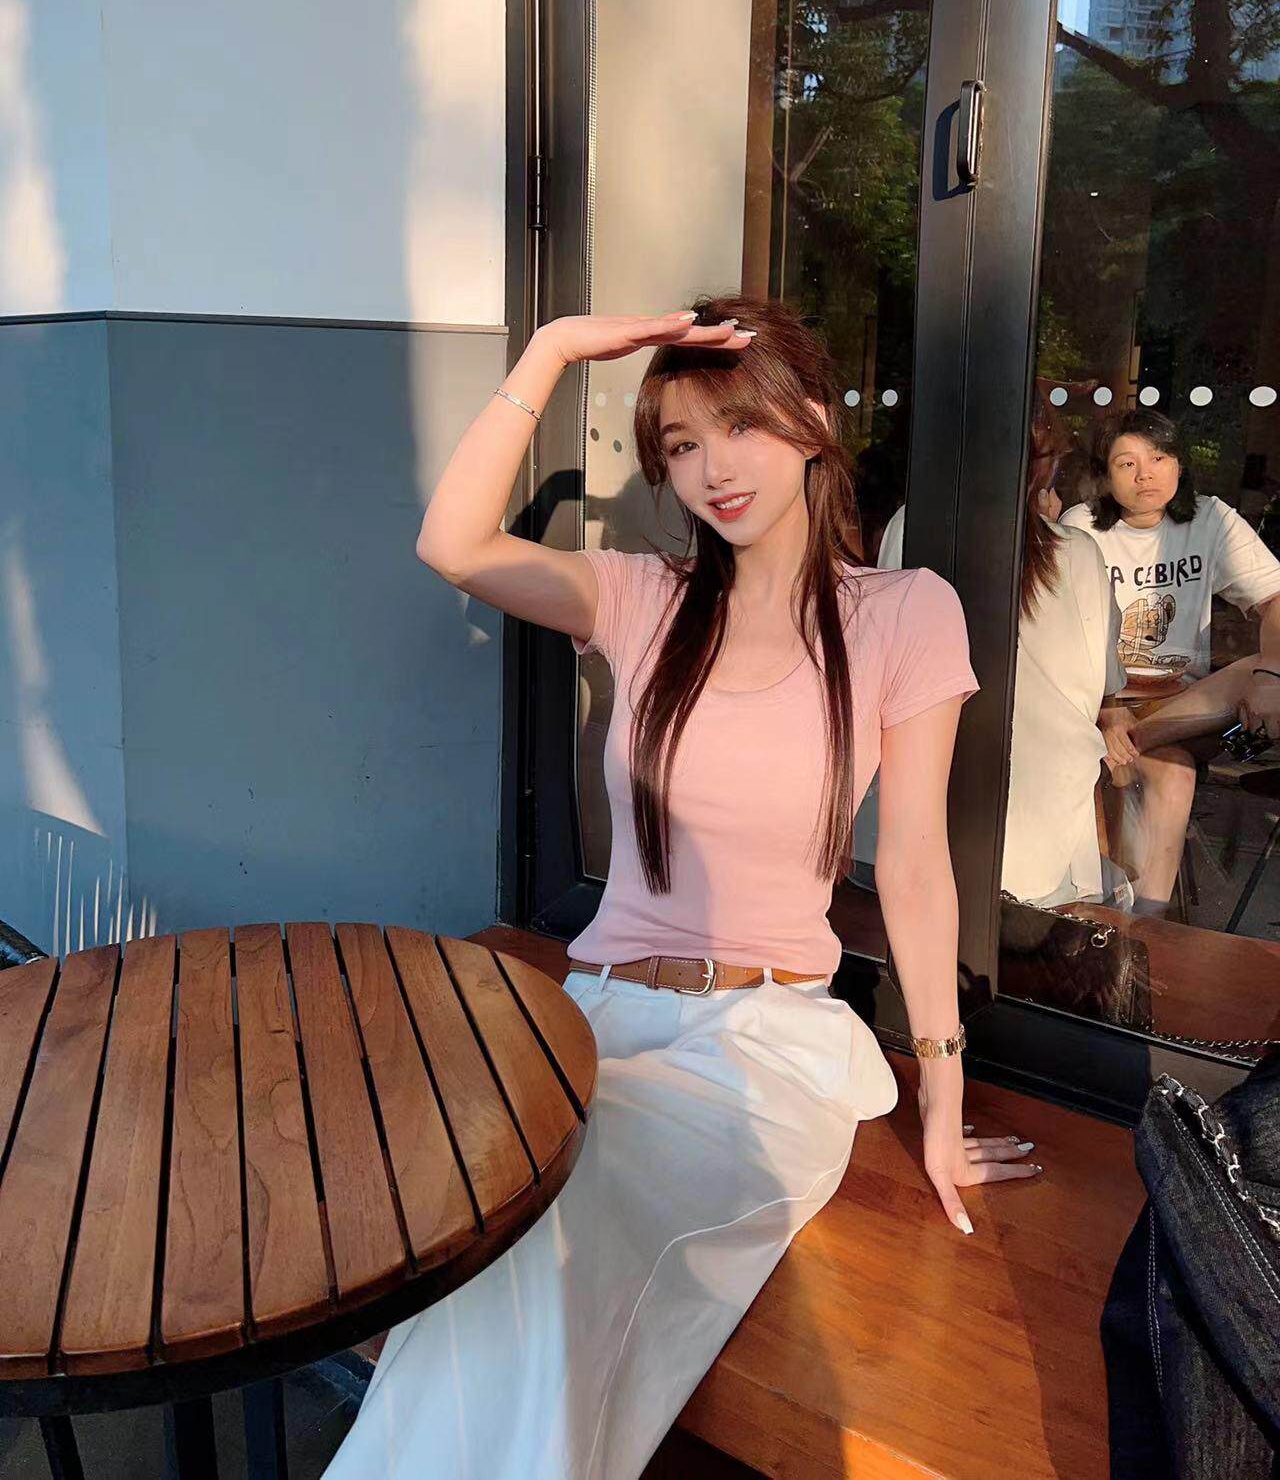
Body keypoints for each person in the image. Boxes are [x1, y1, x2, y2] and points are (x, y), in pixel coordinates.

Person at [323, 295, 1042, 1480]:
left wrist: (940, 1089)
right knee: (475, 1215)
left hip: (759, 1043)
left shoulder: (902, 610)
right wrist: (553, 349)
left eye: (740, 426)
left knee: (545, 1222)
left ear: (813, 422)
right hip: (597, 1017)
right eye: (682, 443)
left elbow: (915, 865)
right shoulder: (641, 597)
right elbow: (452, 544)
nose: (714, 468)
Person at [1061, 409, 1280, 913]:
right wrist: (1108, 707)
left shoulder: (1210, 519)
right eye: (1127, 463)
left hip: (1185, 706)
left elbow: (1274, 600)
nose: (1146, 475)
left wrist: (1269, 675)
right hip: (1100, 704)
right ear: (1104, 474)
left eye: (1159, 458)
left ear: (1179, 464)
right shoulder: (1080, 528)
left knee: (1263, 665)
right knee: (1175, 774)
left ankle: (1135, 743)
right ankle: (1150, 922)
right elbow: (1065, 636)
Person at [1002, 399, 1131, 909]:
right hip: (1045, 851)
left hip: (914, 839)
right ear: (1047, 472)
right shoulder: (1075, 550)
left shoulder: (915, 525)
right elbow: (1105, 680)